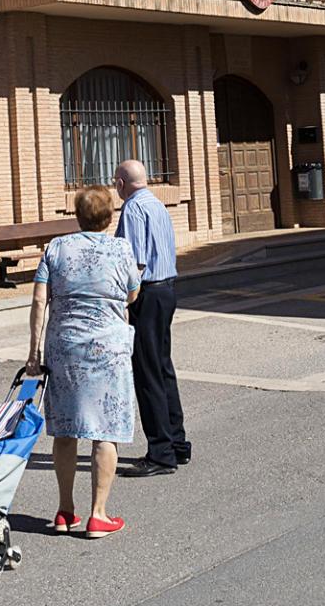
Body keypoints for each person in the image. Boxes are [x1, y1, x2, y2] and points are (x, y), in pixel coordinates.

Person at [25, 184, 142, 539]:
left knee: (65, 428)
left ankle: (65, 510)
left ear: (77, 216)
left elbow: (39, 301)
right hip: (107, 349)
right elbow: (133, 292)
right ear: (109, 217)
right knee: (104, 430)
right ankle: (98, 514)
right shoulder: (121, 249)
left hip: (64, 348)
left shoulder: (56, 248)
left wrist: (33, 352)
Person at [113, 159, 189, 477]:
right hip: (166, 290)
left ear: (120, 183)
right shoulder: (157, 204)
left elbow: (136, 263)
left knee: (147, 374)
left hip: (147, 294)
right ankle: (177, 444)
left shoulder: (133, 208)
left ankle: (161, 453)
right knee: (162, 368)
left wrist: (125, 303)